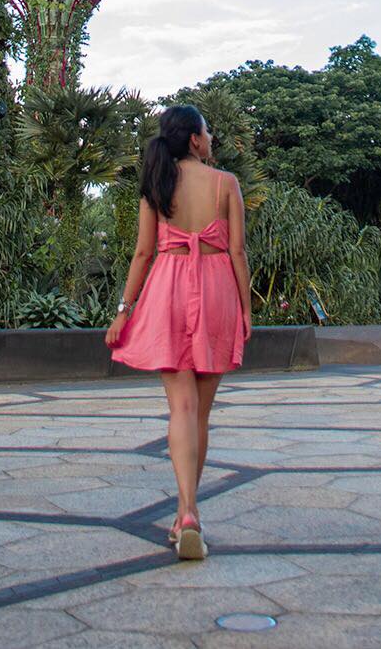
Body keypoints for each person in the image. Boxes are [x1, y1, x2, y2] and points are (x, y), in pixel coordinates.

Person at [106, 104, 251, 560]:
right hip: (216, 292)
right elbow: (239, 252)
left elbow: (142, 254)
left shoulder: (157, 186)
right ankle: (189, 511)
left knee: (180, 409)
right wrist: (246, 310)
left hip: (167, 289)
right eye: (208, 132)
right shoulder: (226, 184)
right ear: (194, 139)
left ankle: (185, 512)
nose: (212, 139)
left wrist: (123, 311)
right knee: (201, 414)